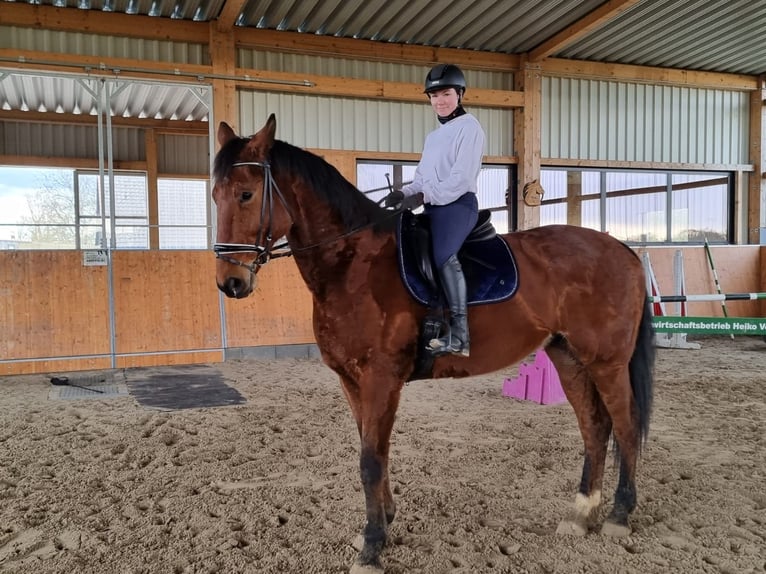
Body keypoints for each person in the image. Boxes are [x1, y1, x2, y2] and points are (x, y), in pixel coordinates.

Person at [385, 63, 485, 357]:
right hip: (433, 206)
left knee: (442, 255)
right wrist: (403, 193)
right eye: (434, 95)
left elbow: (461, 179)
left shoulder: (470, 128)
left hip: (458, 204)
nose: (440, 101)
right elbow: (422, 179)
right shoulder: (433, 137)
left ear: (460, 94)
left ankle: (460, 335)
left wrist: (424, 195)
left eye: (446, 94)